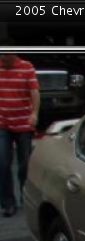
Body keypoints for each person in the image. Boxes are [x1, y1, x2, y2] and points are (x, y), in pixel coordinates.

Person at [0, 41, 39, 217]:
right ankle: (8, 203)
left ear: (14, 53)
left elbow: (34, 92)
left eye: (6, 55)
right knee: (3, 164)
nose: (3, 59)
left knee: (25, 164)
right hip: (3, 124)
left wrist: (34, 113)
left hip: (23, 123)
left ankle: (26, 196)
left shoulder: (26, 67)